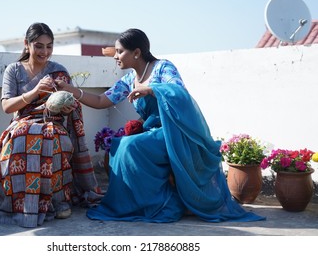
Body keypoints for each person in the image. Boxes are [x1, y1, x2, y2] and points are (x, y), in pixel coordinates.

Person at [55, 28, 266, 223]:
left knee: (131, 147)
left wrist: (152, 89)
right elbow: (102, 101)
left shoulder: (162, 67)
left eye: (119, 52)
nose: (115, 56)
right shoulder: (129, 79)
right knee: (119, 145)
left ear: (136, 52)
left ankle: (165, 204)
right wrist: (70, 89)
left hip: (174, 131)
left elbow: (178, 92)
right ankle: (139, 204)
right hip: (152, 131)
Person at [0, 22, 102, 228]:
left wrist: (66, 106)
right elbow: (7, 106)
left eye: (49, 46)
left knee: (54, 138)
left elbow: (69, 103)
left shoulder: (58, 71)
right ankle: (23, 203)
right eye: (39, 46)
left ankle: (58, 201)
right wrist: (35, 91)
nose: (44, 52)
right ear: (27, 45)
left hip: (53, 122)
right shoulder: (14, 70)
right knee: (22, 136)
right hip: (23, 121)